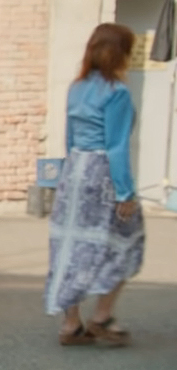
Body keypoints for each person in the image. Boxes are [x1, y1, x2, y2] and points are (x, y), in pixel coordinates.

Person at [44, 23, 145, 346]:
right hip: (102, 172)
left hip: (75, 170)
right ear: (122, 53)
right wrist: (125, 192)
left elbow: (70, 137)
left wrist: (67, 173)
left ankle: (71, 323)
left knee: (71, 245)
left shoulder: (77, 87)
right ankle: (102, 317)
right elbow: (116, 146)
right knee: (126, 241)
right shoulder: (117, 92)